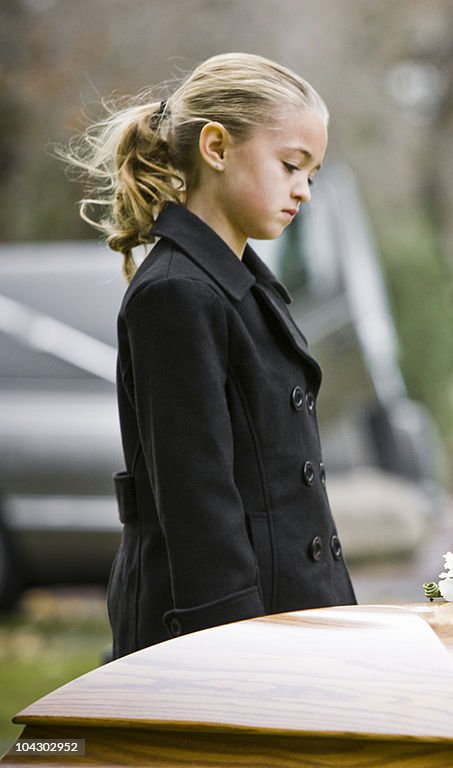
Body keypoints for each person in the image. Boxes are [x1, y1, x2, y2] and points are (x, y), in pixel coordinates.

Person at [62, 53, 357, 658]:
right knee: (56, 753)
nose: (303, 189)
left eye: (313, 174)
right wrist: (234, 649)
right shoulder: (176, 293)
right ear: (217, 147)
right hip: (219, 631)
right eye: (290, 165)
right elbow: (198, 500)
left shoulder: (244, 285)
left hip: (288, 612)